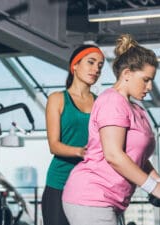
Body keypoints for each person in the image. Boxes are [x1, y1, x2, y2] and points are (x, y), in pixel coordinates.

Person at [62, 34, 160, 225]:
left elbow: (137, 158)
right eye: (146, 80)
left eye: (152, 81)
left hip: (112, 200)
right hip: (91, 196)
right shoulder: (111, 102)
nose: (149, 87)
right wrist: (152, 187)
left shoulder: (137, 110)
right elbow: (114, 155)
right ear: (126, 74)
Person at [41, 44, 105, 225]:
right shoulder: (57, 99)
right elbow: (54, 145)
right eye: (91, 63)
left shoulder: (100, 103)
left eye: (100, 66)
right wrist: (81, 152)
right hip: (60, 182)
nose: (96, 69)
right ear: (74, 66)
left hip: (90, 184)